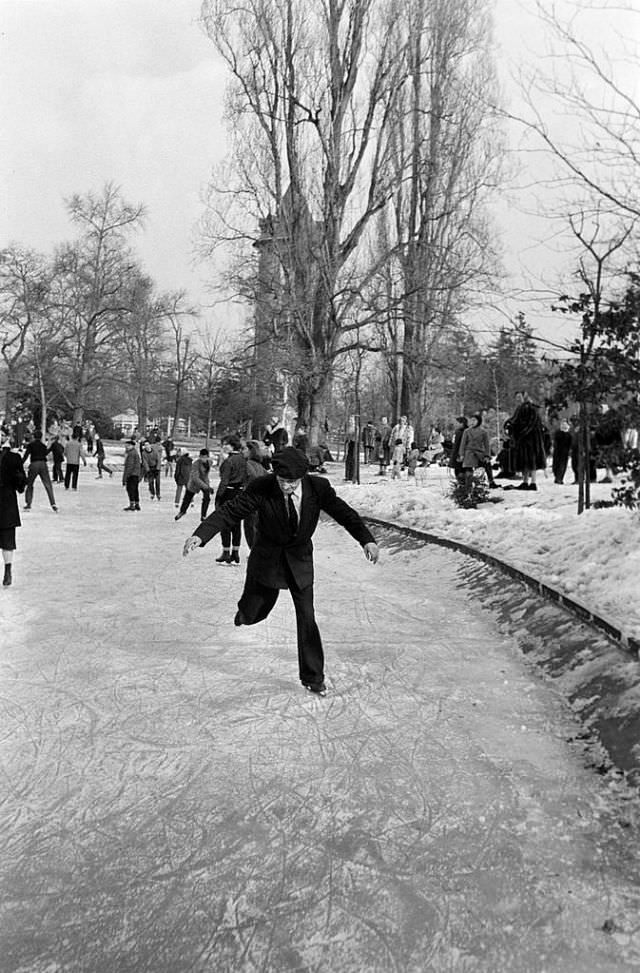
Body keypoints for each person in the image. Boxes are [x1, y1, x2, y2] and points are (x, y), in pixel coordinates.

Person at [182, 446, 379, 695]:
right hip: (267, 558)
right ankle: (246, 613)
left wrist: (366, 539)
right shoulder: (261, 487)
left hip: (299, 560)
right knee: (256, 611)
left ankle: (313, 677)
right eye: (283, 481)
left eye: (292, 482)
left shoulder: (318, 488)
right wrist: (201, 535)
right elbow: (230, 511)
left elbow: (345, 514)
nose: (287, 487)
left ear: (302, 477)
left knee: (307, 618)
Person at [214, 436, 249, 564]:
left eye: (226, 444)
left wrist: (219, 497)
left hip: (228, 492)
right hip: (239, 491)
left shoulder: (229, 461)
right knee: (236, 523)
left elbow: (224, 481)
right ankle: (236, 552)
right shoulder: (243, 460)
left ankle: (226, 551)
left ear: (231, 446)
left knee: (225, 522)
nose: (224, 446)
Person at [0, 439, 27, 586]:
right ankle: (7, 571)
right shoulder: (14, 458)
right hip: (7, 503)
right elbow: (21, 482)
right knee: (7, 541)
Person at [509, 391, 547, 491]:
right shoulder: (520, 408)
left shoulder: (530, 408)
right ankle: (525, 482)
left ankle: (533, 483)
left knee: (532, 460)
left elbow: (532, 423)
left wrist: (522, 432)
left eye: (519, 396)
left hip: (531, 440)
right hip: (523, 439)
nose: (518, 399)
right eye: (516, 397)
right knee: (524, 461)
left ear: (524, 397)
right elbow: (514, 420)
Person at [174, 448, 213, 522]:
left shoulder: (210, 462)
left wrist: (208, 486)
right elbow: (195, 478)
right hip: (194, 483)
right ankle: (182, 511)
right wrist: (206, 486)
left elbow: (205, 475)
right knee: (187, 498)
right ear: (199, 456)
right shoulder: (196, 464)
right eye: (202, 457)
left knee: (207, 498)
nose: (203, 459)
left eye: (205, 457)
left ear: (208, 457)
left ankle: (203, 515)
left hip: (204, 482)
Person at [22, 431, 58, 512]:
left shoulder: (31, 445)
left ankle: (28, 503)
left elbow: (26, 456)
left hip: (34, 464)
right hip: (43, 464)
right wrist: (50, 447)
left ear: (34, 436)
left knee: (30, 484)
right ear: (41, 437)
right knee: (48, 484)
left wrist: (20, 464)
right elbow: (46, 453)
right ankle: (53, 503)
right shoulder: (43, 446)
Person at [459, 413, 491, 496]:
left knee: (481, 470)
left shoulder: (483, 432)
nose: (472, 422)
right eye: (471, 420)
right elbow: (463, 444)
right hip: (469, 453)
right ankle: (468, 487)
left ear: (479, 421)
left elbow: (487, 445)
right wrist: (461, 454)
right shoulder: (467, 431)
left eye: (474, 420)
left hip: (479, 453)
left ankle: (481, 486)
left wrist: (487, 455)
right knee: (468, 471)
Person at [122, 439, 142, 510]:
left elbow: (129, 466)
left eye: (128, 446)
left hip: (132, 474)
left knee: (130, 489)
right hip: (136, 474)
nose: (126, 447)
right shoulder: (135, 452)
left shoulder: (131, 454)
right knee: (135, 489)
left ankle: (132, 504)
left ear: (132, 446)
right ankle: (137, 504)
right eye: (125, 446)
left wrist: (125, 477)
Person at [552, 420, 572, 484]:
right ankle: (558, 478)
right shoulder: (558, 433)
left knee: (561, 465)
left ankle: (559, 478)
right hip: (559, 451)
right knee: (557, 465)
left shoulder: (568, 435)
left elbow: (569, 444)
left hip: (563, 452)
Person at [449, 416, 468, 482]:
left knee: (462, 470)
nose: (455, 424)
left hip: (461, 454)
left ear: (462, 423)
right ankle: (460, 482)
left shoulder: (465, 432)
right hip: (455, 453)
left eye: (457, 423)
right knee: (457, 470)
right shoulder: (457, 431)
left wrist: (460, 454)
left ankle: (462, 483)